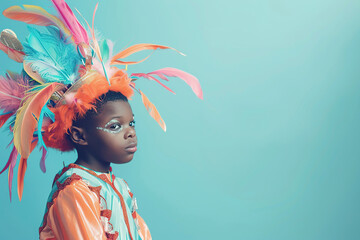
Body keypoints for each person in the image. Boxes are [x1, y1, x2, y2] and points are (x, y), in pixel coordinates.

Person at [0, 0, 202, 239]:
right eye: (115, 126)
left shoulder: (120, 188)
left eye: (131, 123)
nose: (130, 133)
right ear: (79, 135)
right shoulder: (75, 191)